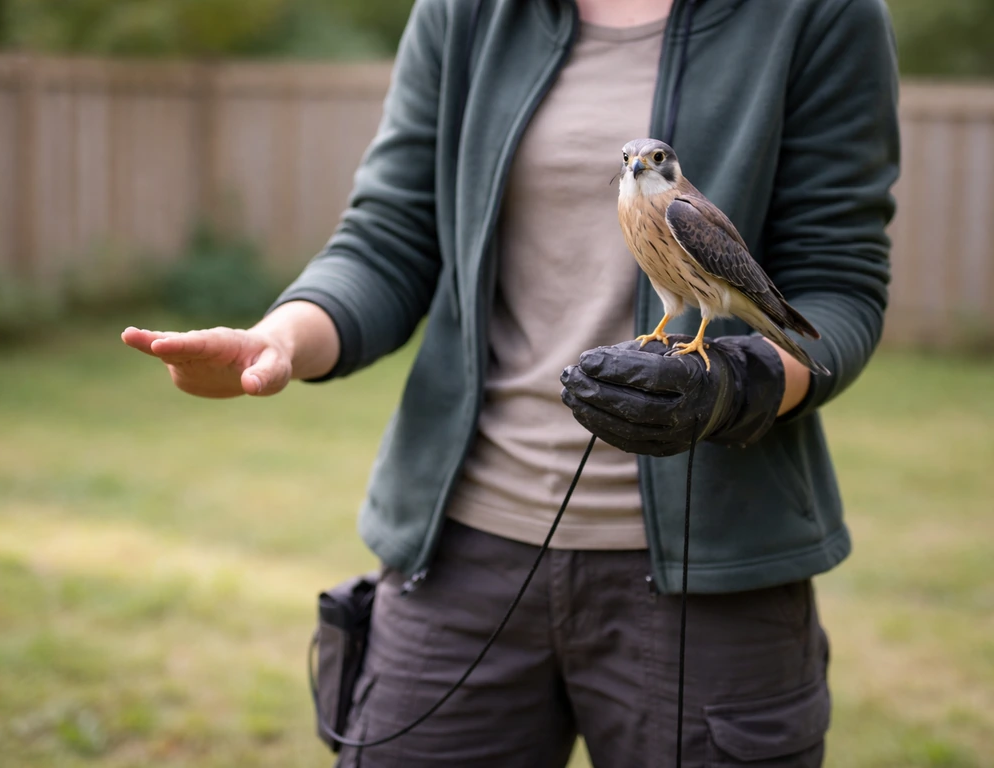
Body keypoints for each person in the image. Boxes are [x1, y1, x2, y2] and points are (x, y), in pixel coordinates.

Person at [122, 0, 899, 764]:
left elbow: (838, 283)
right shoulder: (465, 10)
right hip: (461, 551)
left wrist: (737, 384)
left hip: (717, 560)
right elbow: (390, 238)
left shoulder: (819, 13)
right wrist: (277, 340)